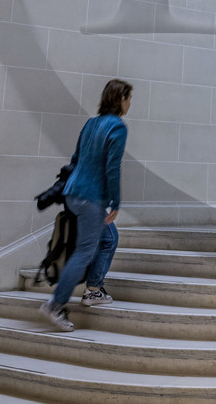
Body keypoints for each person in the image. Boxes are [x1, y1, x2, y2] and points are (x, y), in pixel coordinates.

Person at [39, 78, 132, 331]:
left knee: (109, 238)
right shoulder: (117, 128)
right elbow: (112, 168)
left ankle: (93, 289)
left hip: (72, 193)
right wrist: (115, 202)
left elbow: (75, 159)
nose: (130, 103)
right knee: (84, 252)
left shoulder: (91, 123)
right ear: (120, 100)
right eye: (128, 98)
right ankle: (55, 305)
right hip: (91, 197)